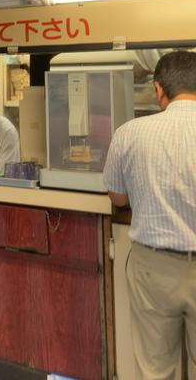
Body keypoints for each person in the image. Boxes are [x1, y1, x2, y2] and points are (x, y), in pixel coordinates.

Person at [103, 50, 196, 379]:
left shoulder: (129, 133)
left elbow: (117, 197)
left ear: (158, 89)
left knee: (154, 370)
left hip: (152, 268)